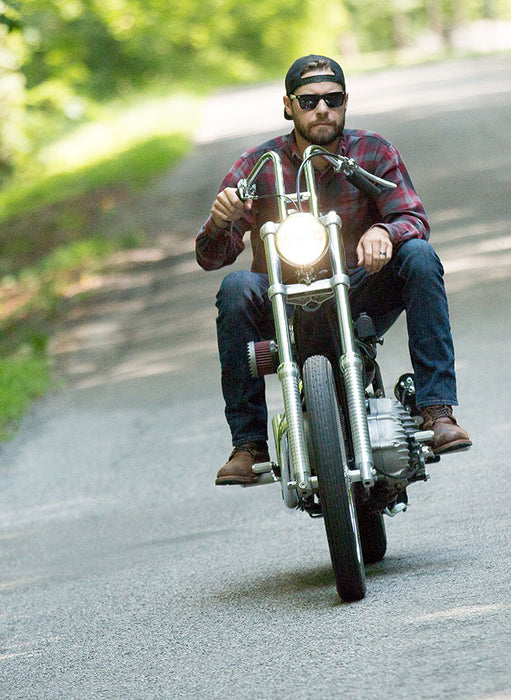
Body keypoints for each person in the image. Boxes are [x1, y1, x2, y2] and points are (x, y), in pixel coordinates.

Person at [196, 54, 472, 486]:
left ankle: (437, 410)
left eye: (333, 98)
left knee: (419, 255)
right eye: (309, 101)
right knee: (235, 287)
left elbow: (412, 217)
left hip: (359, 289)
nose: (322, 109)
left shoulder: (372, 151)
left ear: (345, 102)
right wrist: (219, 220)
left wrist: (385, 230)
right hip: (283, 300)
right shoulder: (259, 164)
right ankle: (248, 445)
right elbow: (212, 256)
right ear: (289, 105)